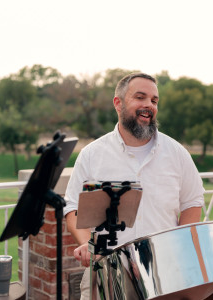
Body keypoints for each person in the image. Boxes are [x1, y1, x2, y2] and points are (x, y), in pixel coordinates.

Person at [64, 72, 205, 300]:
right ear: (118, 103)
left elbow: (192, 203)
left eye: (154, 100)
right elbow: (72, 209)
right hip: (105, 272)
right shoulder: (92, 155)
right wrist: (88, 245)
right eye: (140, 97)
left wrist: (179, 246)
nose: (148, 105)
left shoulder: (177, 153)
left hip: (165, 274)